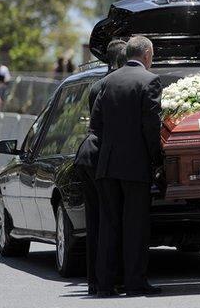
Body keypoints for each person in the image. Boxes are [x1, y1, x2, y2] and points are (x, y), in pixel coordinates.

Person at [90, 36, 162, 297]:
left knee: (108, 226)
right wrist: (157, 159)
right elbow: (151, 127)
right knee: (135, 226)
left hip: (108, 165)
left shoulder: (107, 81)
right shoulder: (149, 81)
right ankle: (134, 283)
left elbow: (95, 125)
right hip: (135, 166)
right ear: (146, 55)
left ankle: (106, 285)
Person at [74, 39, 127, 295]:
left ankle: (94, 280)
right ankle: (108, 279)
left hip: (86, 156)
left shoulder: (97, 86)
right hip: (100, 161)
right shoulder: (114, 85)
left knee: (94, 222)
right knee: (108, 221)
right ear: (121, 61)